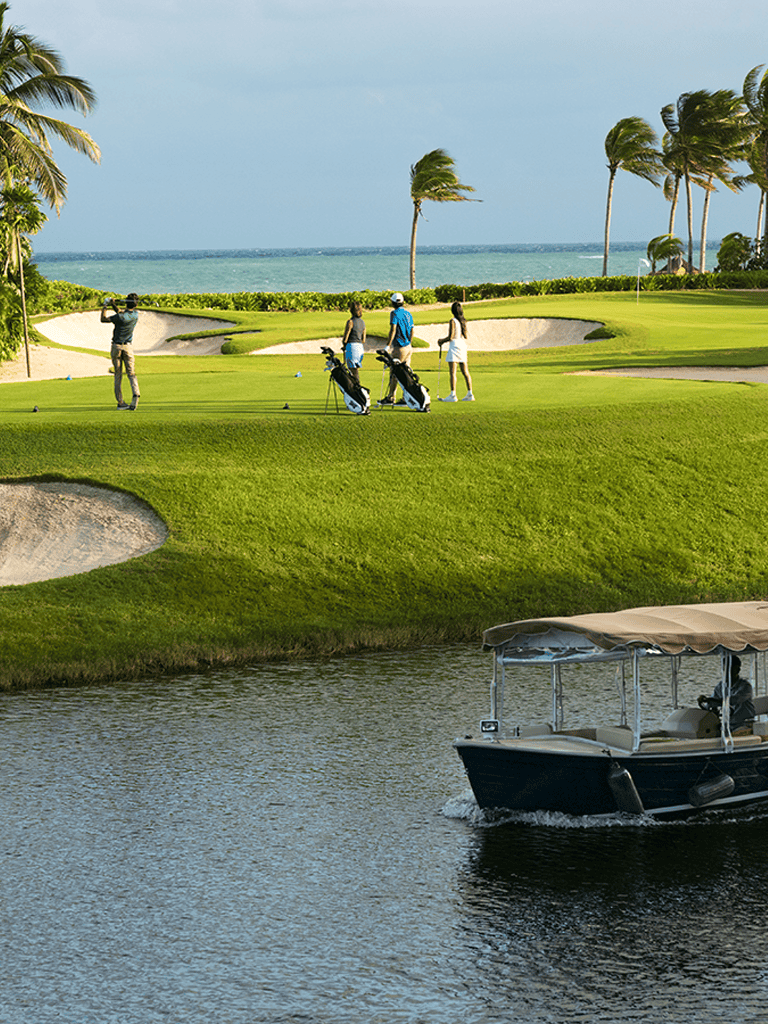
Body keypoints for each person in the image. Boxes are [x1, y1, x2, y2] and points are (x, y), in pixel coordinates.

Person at [101, 293, 140, 410]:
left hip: (116, 347)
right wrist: (113, 304)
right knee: (131, 373)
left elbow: (103, 319)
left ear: (126, 302)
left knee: (118, 375)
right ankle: (136, 392)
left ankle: (120, 402)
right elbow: (122, 314)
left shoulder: (119, 317)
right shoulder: (136, 315)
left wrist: (105, 305)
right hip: (128, 348)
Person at [698, 655, 755, 733]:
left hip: (745, 724)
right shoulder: (720, 686)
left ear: (737, 670)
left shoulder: (745, 686)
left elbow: (734, 700)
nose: (724, 672)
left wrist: (715, 701)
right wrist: (705, 701)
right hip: (728, 725)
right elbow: (711, 704)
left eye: (728, 669)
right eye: (723, 669)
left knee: (734, 734)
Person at [379, 292, 413, 405]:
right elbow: (412, 331)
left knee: (395, 373)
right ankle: (406, 398)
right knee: (406, 373)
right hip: (408, 347)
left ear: (393, 303)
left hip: (399, 348)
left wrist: (388, 346)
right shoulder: (408, 314)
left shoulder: (394, 313)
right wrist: (409, 342)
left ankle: (391, 397)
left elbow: (393, 329)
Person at [438, 300, 474, 402]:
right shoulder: (463, 320)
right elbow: (464, 335)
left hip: (454, 346)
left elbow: (451, 336)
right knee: (465, 372)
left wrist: (441, 341)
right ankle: (470, 394)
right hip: (462, 345)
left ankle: (453, 395)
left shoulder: (453, 321)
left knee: (453, 373)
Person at [341, 301, 366, 385]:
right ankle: (356, 387)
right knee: (356, 370)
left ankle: (357, 388)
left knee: (353, 371)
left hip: (352, 347)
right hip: (360, 348)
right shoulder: (362, 322)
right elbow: (363, 339)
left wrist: (344, 345)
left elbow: (345, 338)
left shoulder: (350, 322)